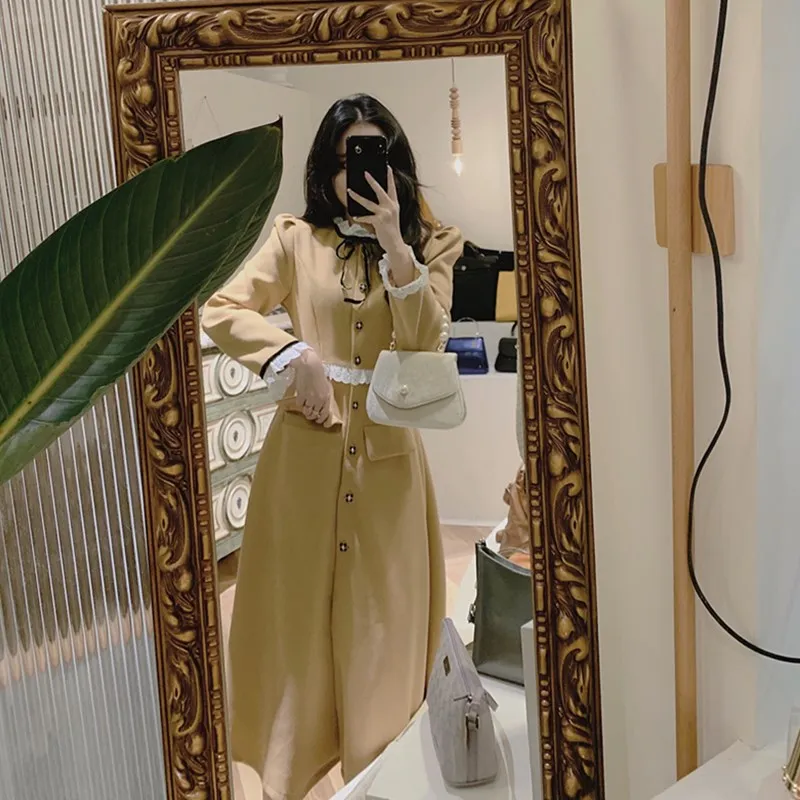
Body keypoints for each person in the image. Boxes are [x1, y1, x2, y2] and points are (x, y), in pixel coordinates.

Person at [202, 94, 464, 799]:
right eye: (350, 159)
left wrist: (397, 248)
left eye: (377, 157)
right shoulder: (295, 240)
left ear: (397, 168)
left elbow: (425, 343)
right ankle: (291, 771)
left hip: (390, 468)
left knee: (383, 624)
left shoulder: (433, 246)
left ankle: (380, 777)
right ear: (327, 167)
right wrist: (295, 356)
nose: (362, 173)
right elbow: (221, 308)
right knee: (295, 620)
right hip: (303, 458)